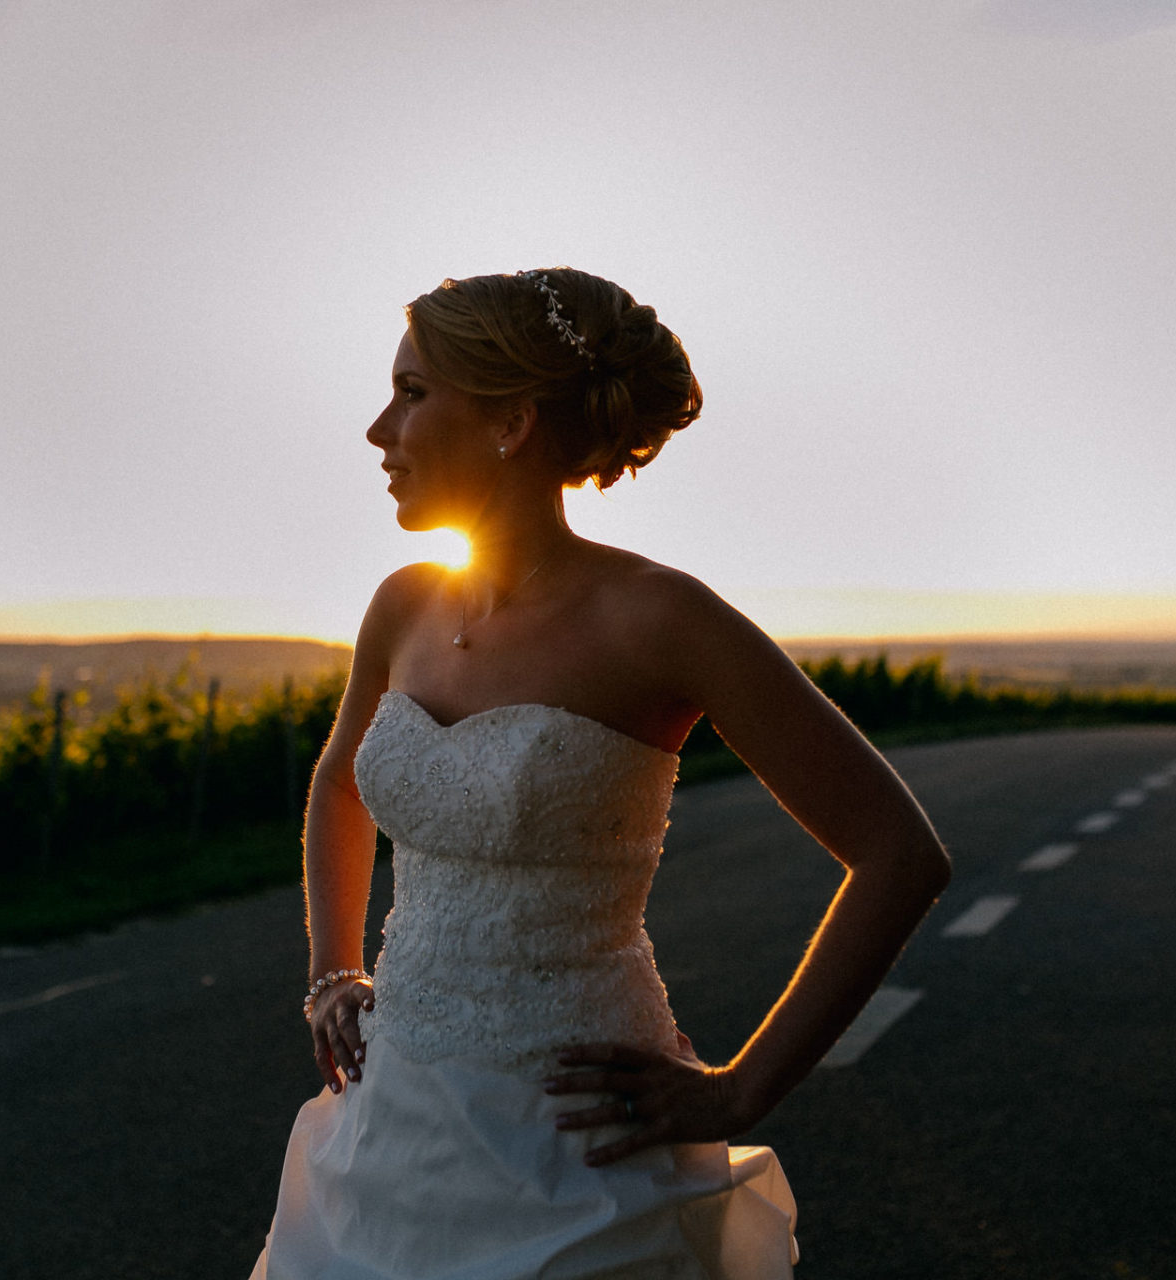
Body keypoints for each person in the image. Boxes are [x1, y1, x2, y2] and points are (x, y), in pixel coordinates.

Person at [249, 267, 951, 1278]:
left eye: (411, 394)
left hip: (579, 1134)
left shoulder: (661, 618)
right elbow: (342, 787)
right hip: (391, 1118)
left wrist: (742, 1088)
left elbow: (899, 853)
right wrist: (332, 969)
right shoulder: (401, 606)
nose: (377, 430)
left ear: (511, 421)